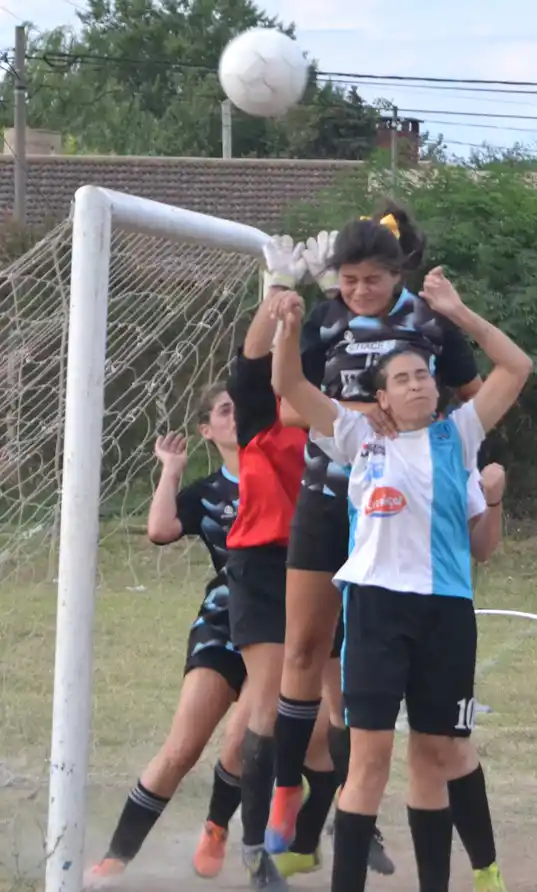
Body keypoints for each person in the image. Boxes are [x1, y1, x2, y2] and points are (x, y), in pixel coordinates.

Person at [269, 263, 531, 892]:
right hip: (378, 608)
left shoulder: (460, 436)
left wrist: (458, 311)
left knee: (436, 756)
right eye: (402, 379)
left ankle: (455, 877)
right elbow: (290, 387)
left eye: (423, 375)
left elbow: (515, 367)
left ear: (437, 389)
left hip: (445, 612)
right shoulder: (359, 436)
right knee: (370, 762)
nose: (416, 384)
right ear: (380, 398)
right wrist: (288, 326)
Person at [85, 387, 250, 886]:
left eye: (241, 406)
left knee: (241, 744)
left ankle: (217, 827)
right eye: (225, 410)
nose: (236, 415)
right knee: (181, 748)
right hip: (224, 623)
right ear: (207, 430)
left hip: (285, 630)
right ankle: (114, 859)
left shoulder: (291, 475)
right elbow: (160, 529)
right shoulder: (208, 491)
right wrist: (171, 471)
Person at [226, 244, 317, 892]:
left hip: (323, 562)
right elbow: (251, 362)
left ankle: (329, 821)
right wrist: (280, 296)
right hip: (262, 560)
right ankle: (253, 846)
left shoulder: (335, 423)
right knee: (266, 700)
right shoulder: (259, 418)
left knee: (323, 712)